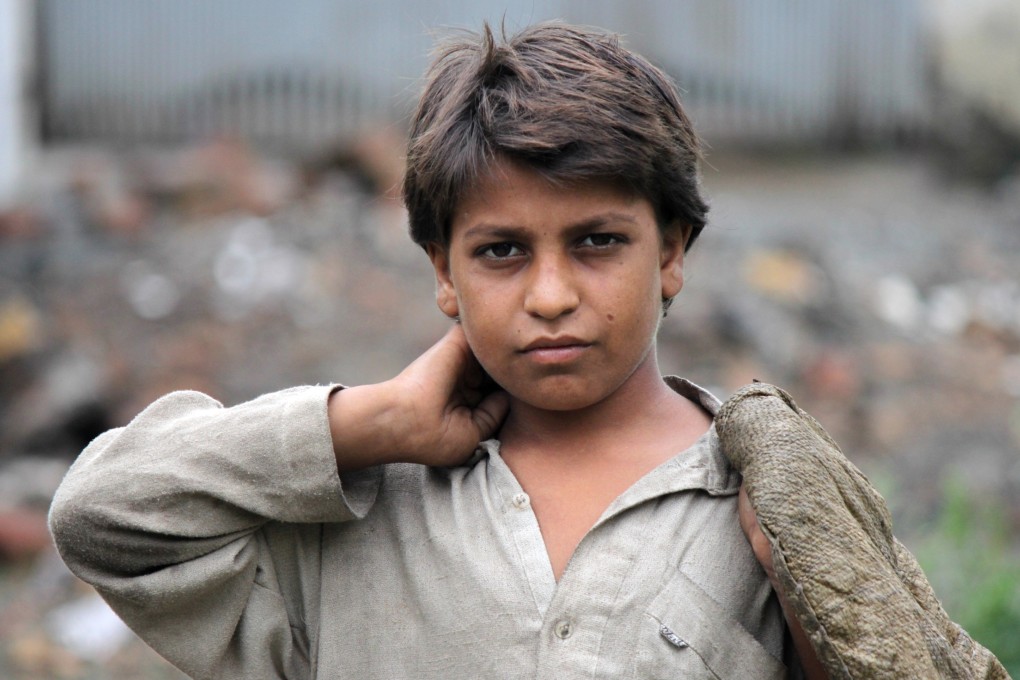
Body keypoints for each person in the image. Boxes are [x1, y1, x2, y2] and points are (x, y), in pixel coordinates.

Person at [49, 22, 827, 679]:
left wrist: (812, 613)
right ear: (442, 273)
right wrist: (370, 422)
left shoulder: (764, 501)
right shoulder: (354, 506)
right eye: (501, 251)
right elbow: (98, 519)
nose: (550, 295)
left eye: (597, 242)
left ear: (670, 254)